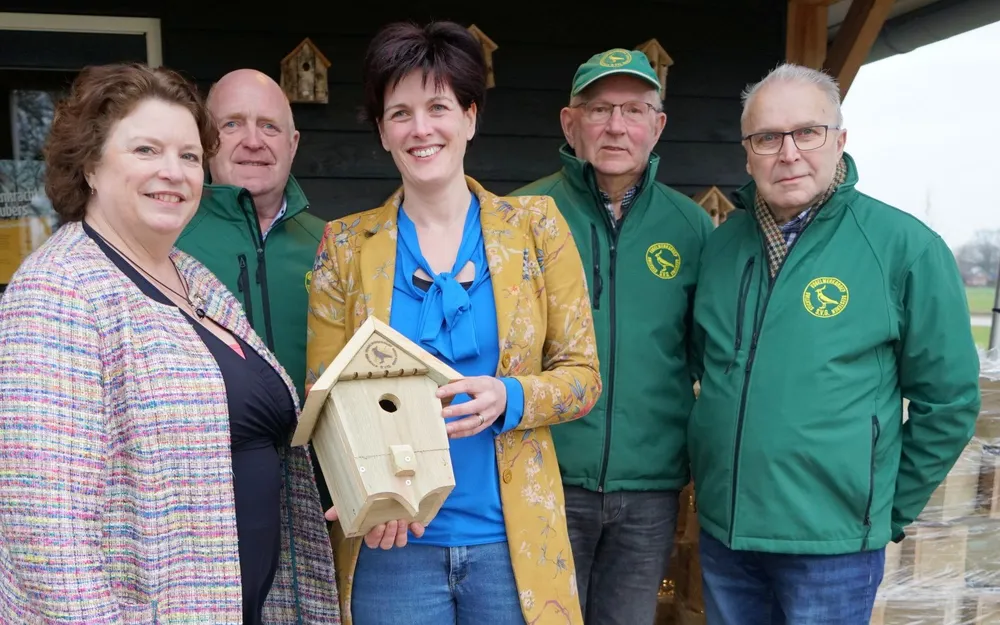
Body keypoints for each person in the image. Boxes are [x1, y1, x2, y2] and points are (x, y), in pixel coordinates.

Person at [0, 63, 339, 624]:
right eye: (146, 150)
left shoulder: (189, 276)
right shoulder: (58, 289)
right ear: (90, 164)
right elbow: (45, 529)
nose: (173, 172)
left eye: (188, 155)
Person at [306, 20, 602, 625]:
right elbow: (325, 397)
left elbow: (583, 376)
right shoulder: (345, 245)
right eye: (400, 113)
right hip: (395, 543)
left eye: (438, 107)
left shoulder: (537, 228)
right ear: (383, 132)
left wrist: (509, 396)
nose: (421, 129)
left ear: (469, 116)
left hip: (512, 544)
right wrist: (368, 495)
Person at [688, 62, 981, 625]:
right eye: (767, 138)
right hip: (729, 535)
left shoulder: (904, 247)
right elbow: (707, 369)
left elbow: (949, 402)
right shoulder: (722, 248)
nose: (788, 153)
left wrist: (883, 509)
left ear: (840, 140)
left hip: (832, 547)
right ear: (747, 154)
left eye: (807, 132)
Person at [512, 48, 713, 625]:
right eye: (599, 109)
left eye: (634, 110)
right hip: (545, 475)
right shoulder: (521, 216)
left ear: (658, 124)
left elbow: (703, 356)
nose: (616, 126)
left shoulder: (691, 226)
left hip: (650, 489)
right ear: (569, 123)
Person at [174, 67, 333, 509]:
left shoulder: (334, 244)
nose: (253, 140)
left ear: (293, 143)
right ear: (206, 141)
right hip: (207, 497)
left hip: (322, 494)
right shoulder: (169, 246)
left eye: (269, 126)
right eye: (232, 124)